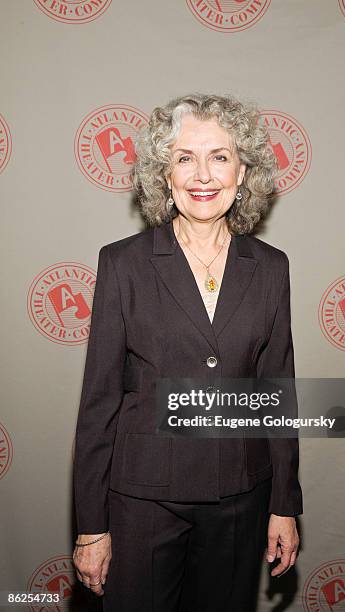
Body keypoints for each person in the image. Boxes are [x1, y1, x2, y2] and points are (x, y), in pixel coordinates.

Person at [72, 93, 303, 612]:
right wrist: (91, 528)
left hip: (240, 500)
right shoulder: (122, 264)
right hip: (142, 502)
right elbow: (98, 404)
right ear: (165, 175)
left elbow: (278, 392)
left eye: (220, 157)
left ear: (243, 173)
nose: (203, 175)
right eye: (184, 158)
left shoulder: (271, 267)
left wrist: (284, 505)